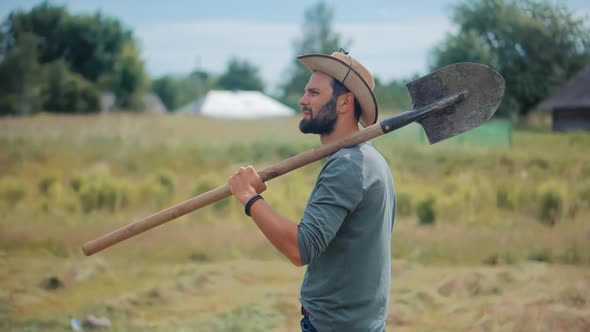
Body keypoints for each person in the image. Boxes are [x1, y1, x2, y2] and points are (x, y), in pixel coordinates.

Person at [228, 49, 396, 332]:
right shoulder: (369, 159)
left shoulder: (348, 165)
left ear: (344, 103)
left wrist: (249, 198)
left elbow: (300, 248)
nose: (302, 100)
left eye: (314, 93)